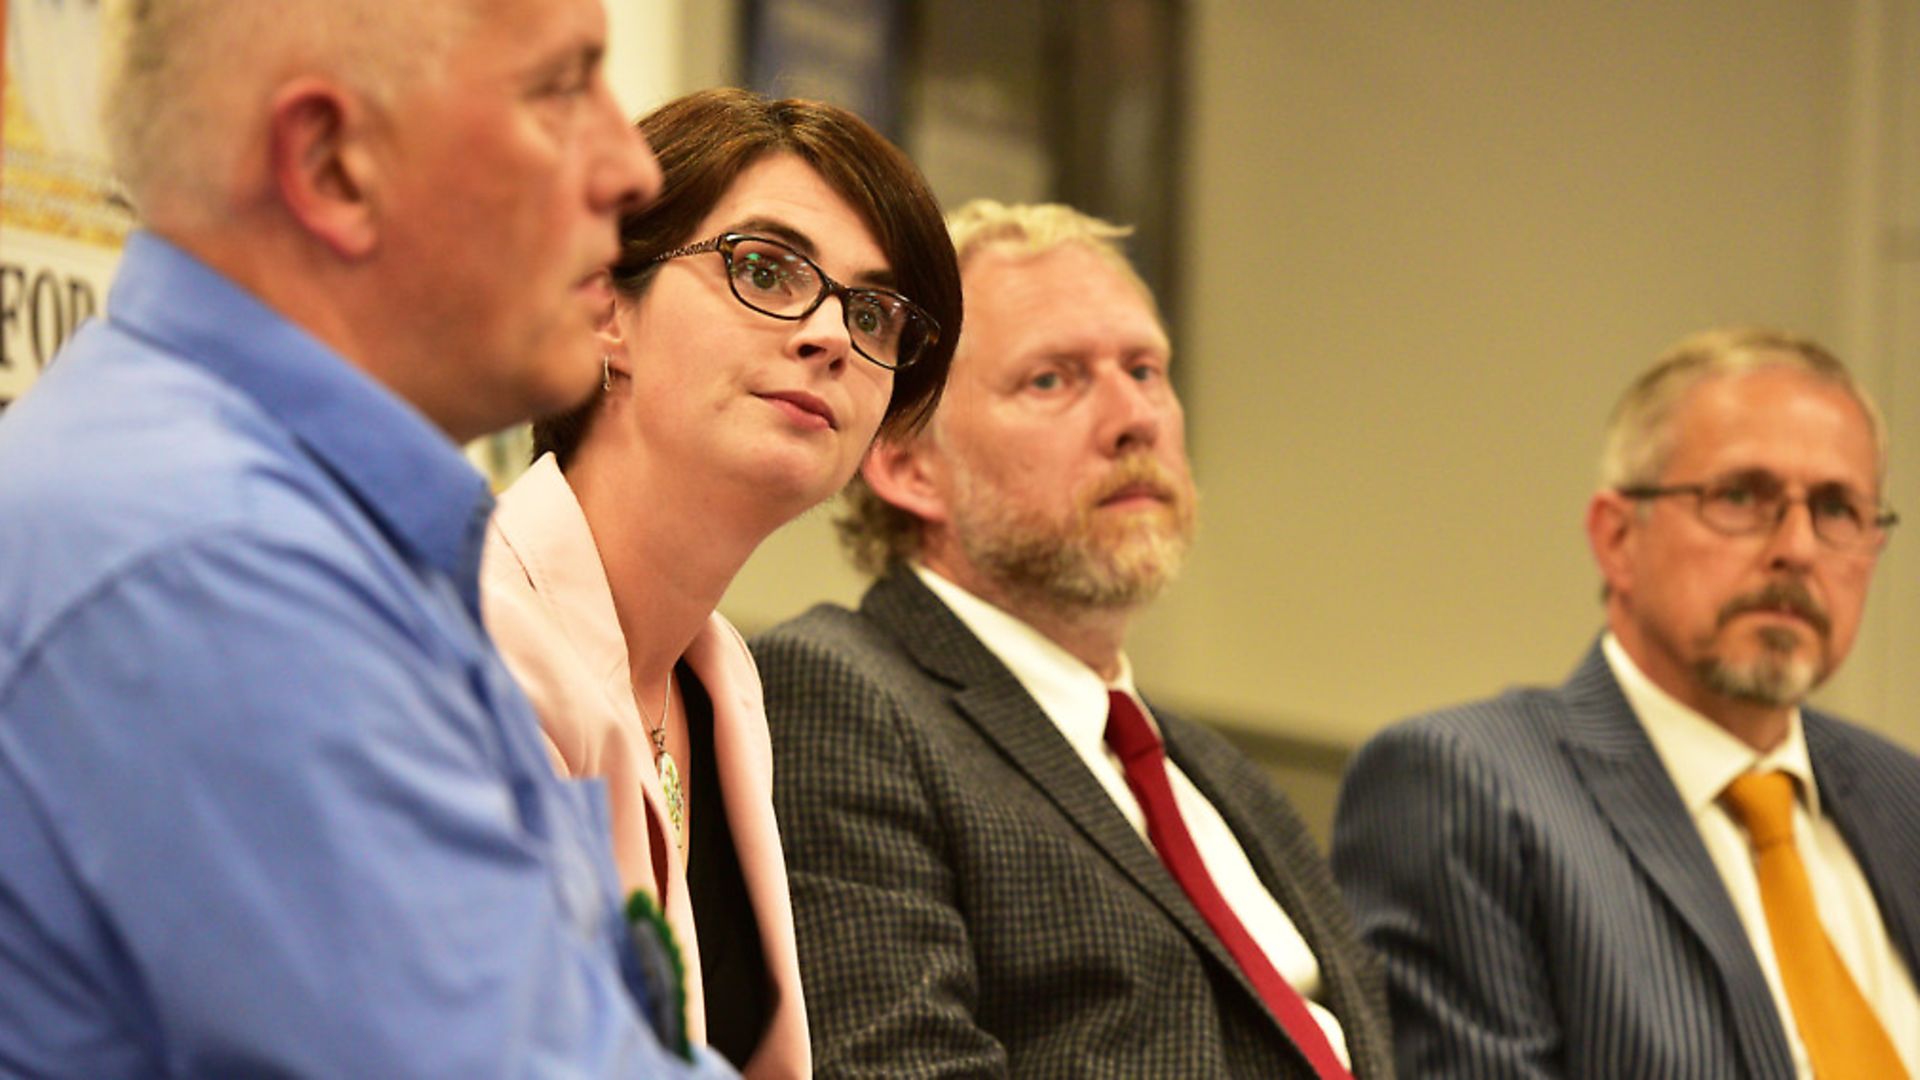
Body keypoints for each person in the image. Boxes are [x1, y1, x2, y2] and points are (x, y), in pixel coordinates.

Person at [0, 1, 739, 1074]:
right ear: (334, 166)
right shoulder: (218, 567)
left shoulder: (277, 520)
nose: (632, 171)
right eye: (562, 90)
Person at [752, 200, 1394, 1078]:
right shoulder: (842, 694)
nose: (1136, 419)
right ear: (908, 465)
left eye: (1146, 369)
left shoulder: (1222, 776)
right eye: (1052, 380)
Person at [481, 87, 961, 1078]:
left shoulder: (723, 677)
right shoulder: (465, 630)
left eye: (874, 312)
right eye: (766, 269)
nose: (831, 334)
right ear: (605, 306)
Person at [1333, 328, 1920, 1079]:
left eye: (1838, 509)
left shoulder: (1904, 798)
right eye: (1741, 496)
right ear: (1616, 538)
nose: (1798, 548)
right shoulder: (1465, 786)